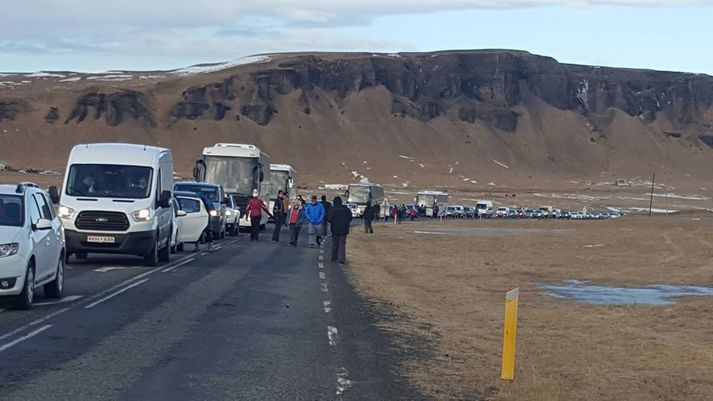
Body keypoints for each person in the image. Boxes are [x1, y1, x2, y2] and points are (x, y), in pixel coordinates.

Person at [327, 196, 352, 264]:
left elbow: (329, 218)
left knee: (335, 243)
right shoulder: (346, 209)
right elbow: (350, 218)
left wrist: (333, 222)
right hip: (344, 229)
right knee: (342, 244)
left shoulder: (332, 209)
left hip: (335, 228)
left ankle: (334, 257)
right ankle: (341, 258)